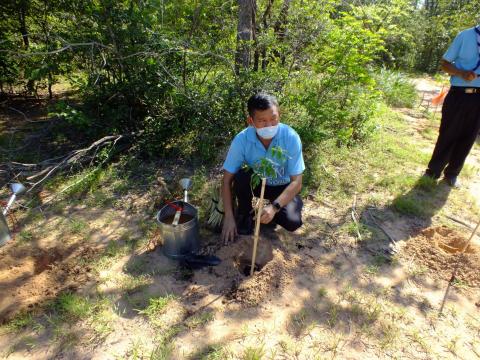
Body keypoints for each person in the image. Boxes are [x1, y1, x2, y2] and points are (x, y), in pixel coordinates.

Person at [221, 93, 305, 244]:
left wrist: (274, 207)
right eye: (262, 121)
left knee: (293, 222)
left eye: (273, 119)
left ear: (279, 115)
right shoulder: (242, 140)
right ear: (251, 121)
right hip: (258, 183)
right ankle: (245, 214)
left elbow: (297, 182)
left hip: (283, 187)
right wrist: (228, 216)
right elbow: (226, 180)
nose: (269, 125)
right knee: (241, 177)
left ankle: (270, 212)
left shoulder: (291, 137)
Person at [425, 24, 480, 187]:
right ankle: (433, 171)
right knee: (448, 133)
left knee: (469, 137)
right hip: (459, 94)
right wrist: (461, 73)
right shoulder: (465, 36)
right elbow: (444, 64)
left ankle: (452, 174)